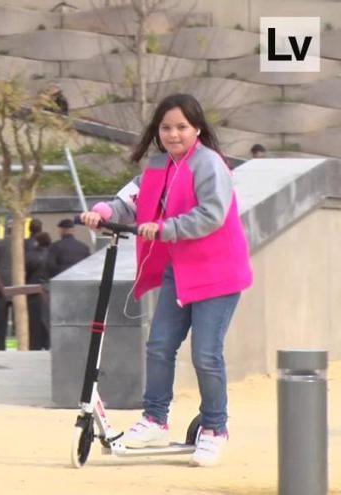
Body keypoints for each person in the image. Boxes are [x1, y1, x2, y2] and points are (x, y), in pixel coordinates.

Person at [80, 93, 253, 467]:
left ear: (197, 129)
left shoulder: (209, 165)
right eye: (166, 128)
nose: (173, 134)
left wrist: (164, 228)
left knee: (206, 354)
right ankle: (155, 418)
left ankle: (214, 428)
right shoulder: (158, 167)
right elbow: (131, 200)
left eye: (182, 127)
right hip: (181, 270)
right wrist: (103, 211)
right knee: (159, 345)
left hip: (218, 272)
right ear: (157, 131)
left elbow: (212, 214)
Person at [25, 232, 53, 350]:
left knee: (35, 318)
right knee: (48, 317)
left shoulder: (31, 255)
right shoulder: (52, 254)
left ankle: (36, 344)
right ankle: (47, 343)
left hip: (34, 288)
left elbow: (27, 270)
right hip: (49, 287)